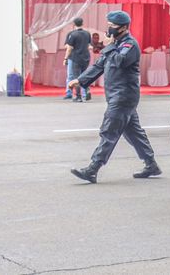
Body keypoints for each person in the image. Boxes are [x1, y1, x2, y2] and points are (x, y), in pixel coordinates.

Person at [69, 11, 161, 183]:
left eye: (112, 26)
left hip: (124, 96)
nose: (109, 28)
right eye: (109, 25)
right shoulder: (115, 44)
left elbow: (120, 61)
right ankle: (151, 164)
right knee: (133, 132)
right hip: (115, 95)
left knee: (109, 130)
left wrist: (110, 45)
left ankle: (93, 168)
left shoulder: (129, 45)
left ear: (123, 27)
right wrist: (80, 81)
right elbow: (98, 66)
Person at [64, 17, 92, 102]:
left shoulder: (72, 34)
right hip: (86, 57)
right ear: (82, 23)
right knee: (84, 76)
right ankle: (86, 92)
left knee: (75, 77)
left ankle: (78, 96)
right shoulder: (87, 33)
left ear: (74, 24)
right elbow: (89, 45)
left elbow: (69, 48)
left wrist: (65, 58)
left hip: (75, 58)